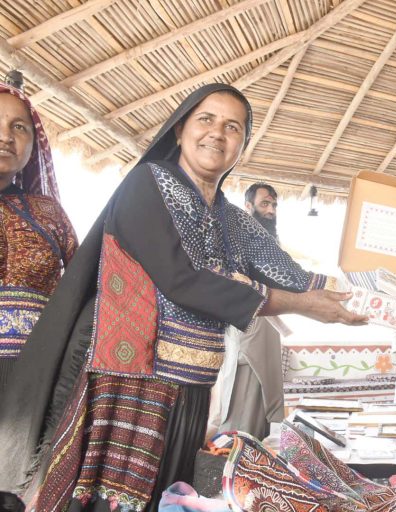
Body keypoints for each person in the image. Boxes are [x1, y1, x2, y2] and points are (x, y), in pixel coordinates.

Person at [0, 83, 365, 512]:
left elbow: (291, 273)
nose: (217, 133)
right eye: (206, 119)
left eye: (233, 127)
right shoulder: (146, 185)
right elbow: (183, 278)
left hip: (191, 385)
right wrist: (302, 305)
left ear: (243, 145)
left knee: (170, 498)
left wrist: (371, 297)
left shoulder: (230, 217)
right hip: (131, 382)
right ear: (179, 130)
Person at [0, 78, 78, 390]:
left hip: (37, 379)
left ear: (34, 145)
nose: (6, 136)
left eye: (19, 127)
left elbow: (85, 285)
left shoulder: (49, 213)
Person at [212, 182, 284, 440]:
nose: (271, 210)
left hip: (267, 334)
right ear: (248, 206)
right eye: (265, 203)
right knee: (239, 415)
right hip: (246, 335)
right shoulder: (236, 238)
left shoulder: (271, 241)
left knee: (262, 410)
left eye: (273, 205)